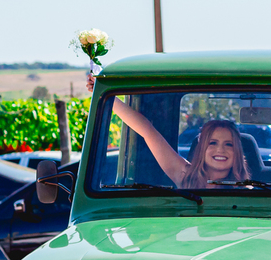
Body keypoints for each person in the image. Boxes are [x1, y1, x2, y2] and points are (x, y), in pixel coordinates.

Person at [88, 74, 249, 188]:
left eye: (229, 144)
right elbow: (147, 131)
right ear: (201, 149)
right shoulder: (186, 177)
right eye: (212, 143)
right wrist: (105, 94)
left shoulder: (248, 192)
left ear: (238, 152)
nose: (220, 149)